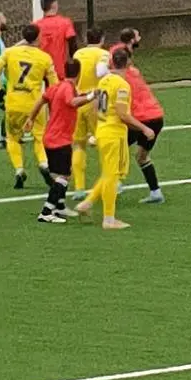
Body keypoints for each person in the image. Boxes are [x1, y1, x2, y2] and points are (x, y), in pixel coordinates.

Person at [73, 46, 154, 230]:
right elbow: (122, 114)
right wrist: (144, 128)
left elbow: (94, 104)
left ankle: (87, 202)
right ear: (128, 63)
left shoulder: (103, 81)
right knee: (111, 175)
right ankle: (109, 219)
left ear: (111, 62)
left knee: (112, 172)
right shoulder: (121, 85)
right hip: (113, 133)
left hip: (102, 130)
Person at [0, 23, 57, 189]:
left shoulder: (10, 53)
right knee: (39, 136)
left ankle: (19, 170)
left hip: (13, 104)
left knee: (12, 138)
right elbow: (54, 85)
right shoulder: (44, 58)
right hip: (35, 105)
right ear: (38, 37)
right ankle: (43, 163)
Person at [117, 28, 167, 204]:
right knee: (141, 157)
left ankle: (115, 182)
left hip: (142, 120)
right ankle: (156, 192)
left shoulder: (121, 80)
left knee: (115, 146)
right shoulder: (135, 72)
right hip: (157, 117)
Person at [29, 71, 82, 223]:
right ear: (78, 73)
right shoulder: (67, 89)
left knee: (62, 175)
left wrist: (31, 118)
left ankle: (60, 206)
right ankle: (46, 211)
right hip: (60, 140)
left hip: (49, 137)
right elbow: (72, 102)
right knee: (63, 178)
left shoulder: (56, 86)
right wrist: (91, 97)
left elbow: (41, 100)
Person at [68, 27, 111, 193]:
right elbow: (101, 72)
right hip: (96, 101)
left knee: (78, 145)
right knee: (105, 143)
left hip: (79, 100)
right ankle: (112, 181)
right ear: (102, 39)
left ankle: (79, 187)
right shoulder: (103, 54)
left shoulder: (78, 54)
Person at [33, 0, 79, 84]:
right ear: (54, 5)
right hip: (59, 69)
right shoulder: (65, 23)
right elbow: (72, 44)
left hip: (41, 69)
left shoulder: (36, 25)